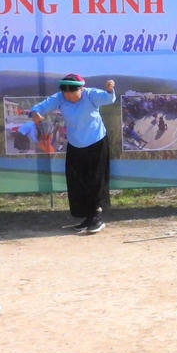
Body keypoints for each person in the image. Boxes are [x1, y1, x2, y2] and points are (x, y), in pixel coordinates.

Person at [29, 73, 117, 235]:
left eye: (72, 92)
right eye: (65, 92)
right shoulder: (60, 97)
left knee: (95, 179)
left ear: (81, 88)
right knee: (77, 181)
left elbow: (109, 98)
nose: (68, 96)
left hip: (96, 142)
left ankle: (97, 216)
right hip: (75, 144)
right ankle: (87, 217)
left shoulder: (91, 94)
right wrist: (35, 112)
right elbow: (41, 107)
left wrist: (110, 89)